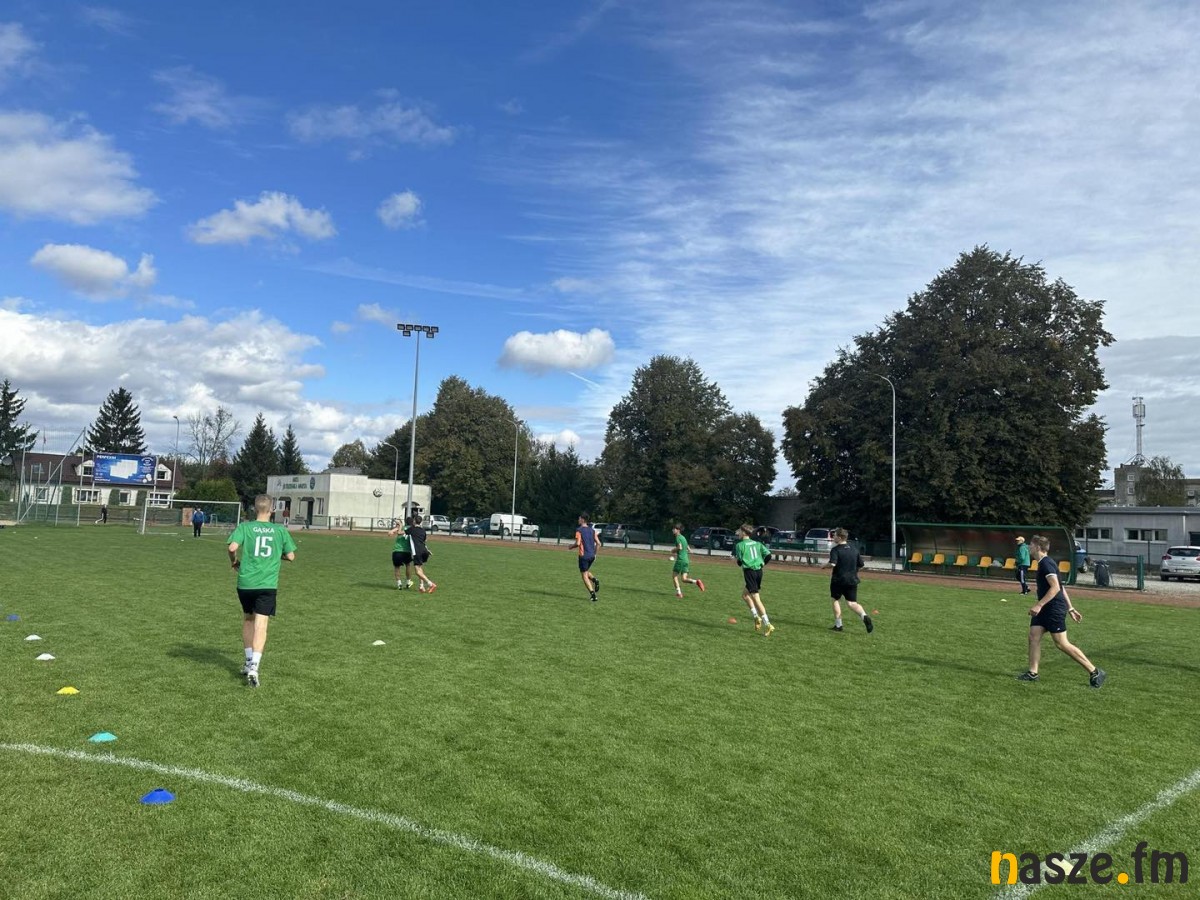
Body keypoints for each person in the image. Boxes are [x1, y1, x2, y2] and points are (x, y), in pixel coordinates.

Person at [227, 494, 297, 688]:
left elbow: (232, 547)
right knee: (261, 625)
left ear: (254, 509)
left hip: (246, 583)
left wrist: (234, 562)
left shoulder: (245, 527)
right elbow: (291, 556)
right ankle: (254, 668)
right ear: (272, 510)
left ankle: (248, 661)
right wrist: (278, 555)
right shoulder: (279, 530)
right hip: (267, 584)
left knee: (248, 620)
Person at [1018, 534, 1106, 688]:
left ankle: (1095, 671)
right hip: (1045, 608)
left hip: (1053, 609)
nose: (1029, 548)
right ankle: (1033, 673)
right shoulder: (1043, 563)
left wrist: (1039, 605)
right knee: (1033, 636)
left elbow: (1055, 587)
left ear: (1038, 547)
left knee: (1061, 643)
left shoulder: (1046, 564)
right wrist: (1071, 608)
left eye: (1031, 545)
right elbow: (1061, 587)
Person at [823, 528, 873, 633]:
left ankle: (838, 625)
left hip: (838, 580)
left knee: (835, 600)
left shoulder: (836, 550)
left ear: (840, 537)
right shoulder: (854, 549)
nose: (833, 537)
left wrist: (824, 566)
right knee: (851, 603)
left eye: (835, 535)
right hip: (852, 580)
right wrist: (853, 571)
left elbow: (832, 563)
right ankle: (864, 616)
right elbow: (861, 565)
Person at [733, 524, 773, 636]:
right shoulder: (757, 543)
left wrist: (740, 560)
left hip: (750, 572)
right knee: (745, 595)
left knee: (756, 598)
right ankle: (756, 617)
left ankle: (768, 624)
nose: (738, 533)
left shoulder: (739, 545)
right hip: (759, 572)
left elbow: (739, 562)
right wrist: (762, 563)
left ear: (744, 533)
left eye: (740, 531)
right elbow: (769, 555)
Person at [570, 513, 601, 601]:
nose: (578, 520)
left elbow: (578, 543)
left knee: (584, 575)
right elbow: (599, 543)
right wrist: (595, 554)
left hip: (584, 556)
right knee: (585, 571)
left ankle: (593, 595)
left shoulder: (579, 530)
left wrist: (570, 547)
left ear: (582, 520)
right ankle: (595, 580)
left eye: (579, 518)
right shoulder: (592, 530)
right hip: (591, 556)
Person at [669, 523, 705, 598]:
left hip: (680, 560)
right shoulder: (683, 537)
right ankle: (696, 581)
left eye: (674, 529)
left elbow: (680, 547)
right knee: (684, 579)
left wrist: (673, 550)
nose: (673, 530)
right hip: (686, 560)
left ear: (678, 530)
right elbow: (687, 545)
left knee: (674, 576)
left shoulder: (678, 537)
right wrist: (690, 550)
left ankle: (679, 593)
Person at [407, 514, 437, 593]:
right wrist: (427, 549)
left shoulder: (412, 529)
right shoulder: (423, 530)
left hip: (417, 552)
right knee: (420, 568)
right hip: (424, 551)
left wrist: (398, 527)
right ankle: (421, 586)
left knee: (417, 571)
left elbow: (401, 532)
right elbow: (424, 541)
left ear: (414, 521)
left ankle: (431, 584)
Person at [387, 518, 414, 589]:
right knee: (408, 565)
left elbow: (389, 533)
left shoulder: (400, 528)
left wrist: (397, 527)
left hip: (397, 551)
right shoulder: (413, 529)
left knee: (397, 567)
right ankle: (408, 582)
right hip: (407, 551)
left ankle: (399, 584)